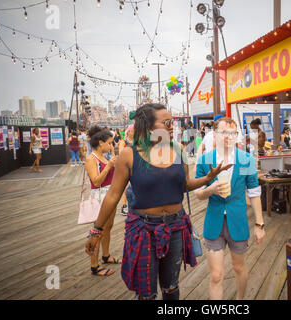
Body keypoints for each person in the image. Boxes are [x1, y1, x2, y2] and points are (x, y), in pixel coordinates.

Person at [85, 103, 230, 300]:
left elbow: (185, 184)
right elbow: (112, 195)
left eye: (173, 122)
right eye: (167, 122)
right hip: (143, 229)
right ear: (149, 126)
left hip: (176, 227)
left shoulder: (177, 150)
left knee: (171, 288)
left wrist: (206, 179)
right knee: (146, 293)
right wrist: (96, 230)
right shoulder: (129, 155)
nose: (172, 126)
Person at [195, 117, 265, 300]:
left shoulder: (245, 159)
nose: (229, 136)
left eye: (233, 133)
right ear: (215, 134)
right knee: (216, 275)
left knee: (239, 267)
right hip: (214, 221)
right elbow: (198, 193)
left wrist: (259, 224)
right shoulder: (205, 160)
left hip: (238, 220)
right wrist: (210, 190)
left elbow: (254, 191)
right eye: (224, 132)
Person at [85, 125, 119, 276]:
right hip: (100, 198)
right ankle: (94, 266)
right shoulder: (91, 159)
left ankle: (105, 256)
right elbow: (96, 181)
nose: (112, 145)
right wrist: (109, 166)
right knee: (97, 231)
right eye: (109, 143)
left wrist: (112, 158)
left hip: (109, 196)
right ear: (100, 142)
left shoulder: (104, 157)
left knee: (108, 228)